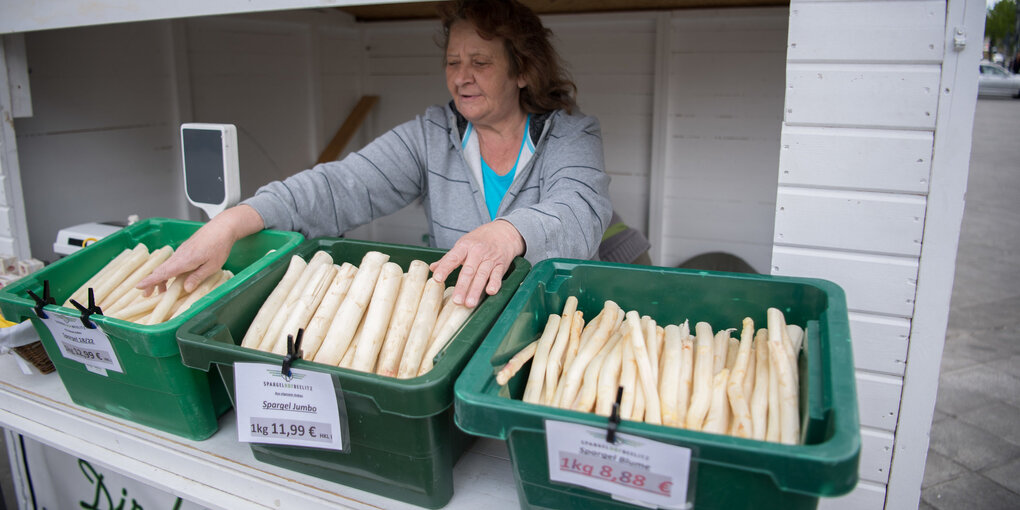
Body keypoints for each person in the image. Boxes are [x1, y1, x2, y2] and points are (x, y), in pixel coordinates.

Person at [138, 0, 612, 309]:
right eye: (452, 62)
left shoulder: (570, 136)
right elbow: (340, 186)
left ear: (523, 72)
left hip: (553, 322)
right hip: (462, 324)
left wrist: (508, 232)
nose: (461, 76)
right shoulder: (431, 137)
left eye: (481, 63)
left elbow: (581, 211)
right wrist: (231, 223)